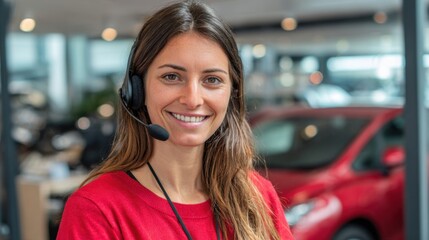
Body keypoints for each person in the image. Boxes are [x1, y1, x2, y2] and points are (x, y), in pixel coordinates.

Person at [57, 1, 294, 239]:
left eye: (212, 80)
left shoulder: (257, 196)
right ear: (136, 90)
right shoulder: (97, 210)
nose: (192, 99)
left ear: (231, 94)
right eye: (172, 77)